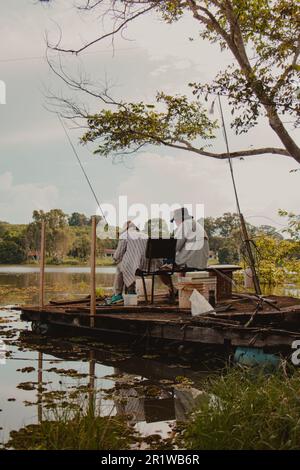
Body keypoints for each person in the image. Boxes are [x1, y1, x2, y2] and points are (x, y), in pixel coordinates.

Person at [160, 207, 209, 299]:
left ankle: (173, 290)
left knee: (161, 269)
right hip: (202, 262)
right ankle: (181, 291)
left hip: (189, 261)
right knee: (178, 262)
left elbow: (175, 247)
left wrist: (163, 257)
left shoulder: (184, 225)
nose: (175, 223)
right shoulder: (197, 225)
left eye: (175, 220)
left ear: (179, 218)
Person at [109, 221, 148, 304]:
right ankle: (131, 292)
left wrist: (115, 258)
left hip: (134, 267)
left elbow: (118, 254)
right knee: (127, 265)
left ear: (126, 228)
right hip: (146, 266)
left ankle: (117, 294)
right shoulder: (146, 236)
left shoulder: (125, 235)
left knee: (120, 267)